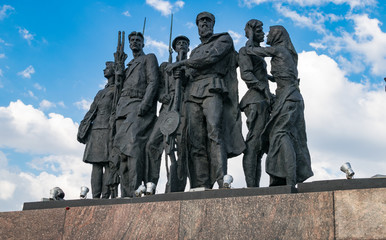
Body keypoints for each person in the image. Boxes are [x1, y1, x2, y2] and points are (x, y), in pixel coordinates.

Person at [166, 12, 245, 189]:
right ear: (197, 26)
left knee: (214, 132)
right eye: (201, 22)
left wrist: (181, 64)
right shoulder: (194, 51)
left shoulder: (223, 39)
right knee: (196, 140)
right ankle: (200, 184)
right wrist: (180, 75)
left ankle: (221, 180)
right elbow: (190, 74)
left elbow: (211, 57)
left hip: (212, 87)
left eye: (207, 21)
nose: (204, 24)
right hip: (192, 93)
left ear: (213, 24)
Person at [246, 25, 313, 187]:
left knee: (279, 134)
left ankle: (290, 180)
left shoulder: (279, 50)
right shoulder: (287, 54)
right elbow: (282, 76)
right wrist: (267, 77)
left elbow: (251, 51)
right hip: (292, 97)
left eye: (270, 33)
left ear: (277, 35)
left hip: (288, 97)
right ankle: (285, 179)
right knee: (285, 136)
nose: (267, 35)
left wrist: (249, 36)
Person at [112, 31, 159, 197]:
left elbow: (153, 82)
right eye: (132, 40)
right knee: (122, 154)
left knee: (132, 148)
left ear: (143, 43)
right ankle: (125, 194)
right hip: (122, 109)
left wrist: (145, 104)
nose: (134, 42)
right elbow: (119, 89)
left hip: (137, 105)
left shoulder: (149, 58)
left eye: (138, 40)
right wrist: (119, 74)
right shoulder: (128, 65)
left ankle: (136, 189)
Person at [145, 36, 190, 194]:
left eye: (185, 43)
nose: (182, 45)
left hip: (183, 107)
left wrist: (183, 73)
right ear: (174, 47)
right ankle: (151, 184)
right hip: (166, 108)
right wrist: (161, 95)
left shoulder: (190, 65)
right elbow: (157, 85)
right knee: (152, 144)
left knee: (181, 146)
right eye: (179, 43)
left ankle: (177, 182)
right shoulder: (165, 66)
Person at [239, 19, 272, 187]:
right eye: (259, 30)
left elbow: (260, 74)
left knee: (260, 147)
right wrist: (263, 88)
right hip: (255, 100)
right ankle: (251, 187)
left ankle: (255, 187)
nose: (263, 33)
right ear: (251, 31)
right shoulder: (246, 50)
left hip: (264, 100)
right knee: (253, 144)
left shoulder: (256, 51)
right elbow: (246, 74)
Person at [77, 61, 116, 199]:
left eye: (107, 68)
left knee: (108, 164)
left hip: (108, 129)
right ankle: (95, 197)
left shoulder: (117, 89)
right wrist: (83, 127)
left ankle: (105, 196)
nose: (104, 70)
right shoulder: (101, 92)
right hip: (96, 130)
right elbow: (92, 111)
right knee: (96, 166)